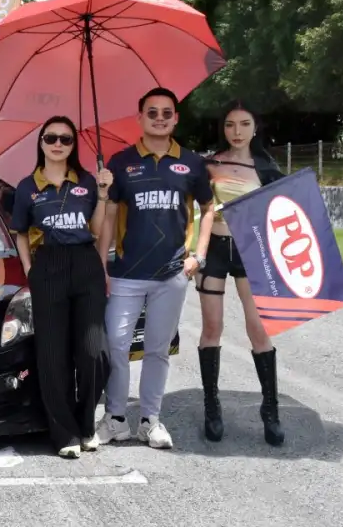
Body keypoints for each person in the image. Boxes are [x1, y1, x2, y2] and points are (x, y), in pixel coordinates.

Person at [95, 88, 215, 449]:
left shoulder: (192, 163)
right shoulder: (120, 163)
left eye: (166, 113)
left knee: (157, 349)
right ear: (140, 118)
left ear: (176, 118)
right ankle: (115, 418)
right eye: (152, 112)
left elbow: (208, 209)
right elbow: (109, 217)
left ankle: (150, 420)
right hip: (125, 273)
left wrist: (198, 257)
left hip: (171, 274)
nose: (159, 118)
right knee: (115, 345)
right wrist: (101, 265)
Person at [10, 116, 113, 459]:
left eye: (65, 139)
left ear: (73, 145)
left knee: (95, 353)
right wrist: (30, 269)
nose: (58, 144)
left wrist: (102, 195)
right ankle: (65, 432)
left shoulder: (87, 182)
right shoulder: (27, 186)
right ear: (41, 143)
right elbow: (20, 232)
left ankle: (86, 423)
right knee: (53, 356)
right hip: (48, 265)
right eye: (51, 138)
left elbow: (96, 229)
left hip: (85, 263)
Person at [196, 100, 286, 446]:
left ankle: (270, 410)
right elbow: (195, 207)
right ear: (223, 128)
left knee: (258, 330)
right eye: (230, 124)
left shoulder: (267, 168)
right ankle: (212, 406)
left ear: (255, 127)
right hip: (215, 252)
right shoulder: (210, 164)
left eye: (244, 124)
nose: (237, 132)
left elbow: (284, 213)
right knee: (212, 327)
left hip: (252, 250)